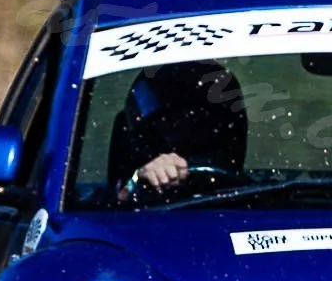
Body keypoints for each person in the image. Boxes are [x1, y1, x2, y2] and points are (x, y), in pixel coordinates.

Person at [106, 59, 248, 201]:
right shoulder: (116, 204)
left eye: (201, 127)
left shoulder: (260, 195)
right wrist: (136, 182)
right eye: (170, 127)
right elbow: (116, 198)